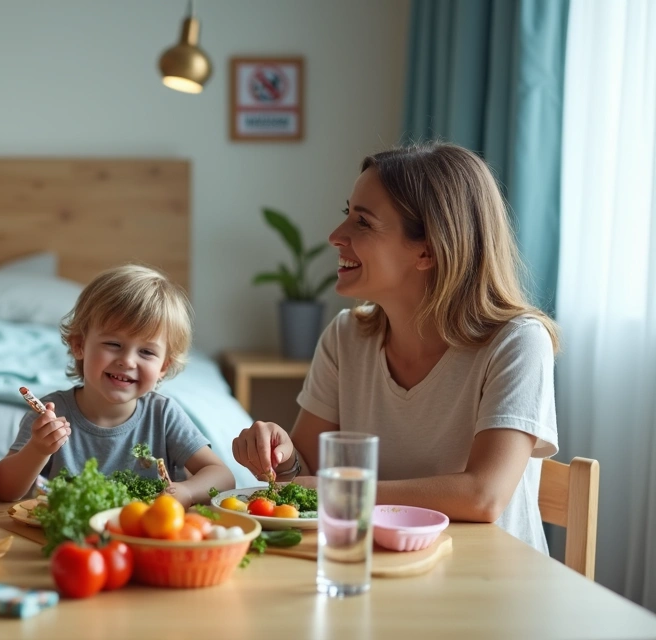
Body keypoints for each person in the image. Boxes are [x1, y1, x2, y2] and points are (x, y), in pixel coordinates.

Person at [232, 143, 559, 552]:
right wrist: (282, 457)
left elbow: (483, 495)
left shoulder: (518, 342)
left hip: (489, 589)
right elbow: (307, 471)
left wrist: (341, 492)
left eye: (363, 223)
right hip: (375, 570)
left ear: (428, 249)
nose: (336, 236)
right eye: (346, 215)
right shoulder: (346, 336)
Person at [0, 265, 235, 507]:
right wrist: (37, 449)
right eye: (113, 344)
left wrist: (187, 492)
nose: (127, 361)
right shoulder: (49, 414)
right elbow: (5, 490)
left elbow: (222, 476)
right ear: (79, 345)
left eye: (147, 352)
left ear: (163, 366)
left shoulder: (164, 415)